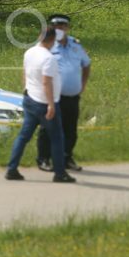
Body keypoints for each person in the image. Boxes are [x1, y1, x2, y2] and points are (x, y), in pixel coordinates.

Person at [5, 27, 76, 183]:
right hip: (44, 103)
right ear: (52, 40)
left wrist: (25, 89)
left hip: (30, 99)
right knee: (57, 138)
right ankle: (59, 173)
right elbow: (46, 82)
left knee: (24, 136)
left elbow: (25, 72)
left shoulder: (29, 52)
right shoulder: (48, 58)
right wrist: (51, 105)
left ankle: (11, 169)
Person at [36, 14, 91, 172]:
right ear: (52, 28)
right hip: (53, 96)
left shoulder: (76, 45)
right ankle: (44, 159)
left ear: (67, 28)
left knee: (70, 129)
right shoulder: (47, 45)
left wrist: (83, 84)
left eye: (62, 26)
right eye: (56, 26)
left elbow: (86, 64)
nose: (59, 29)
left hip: (72, 96)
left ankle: (67, 158)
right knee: (48, 128)